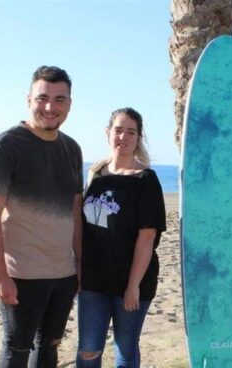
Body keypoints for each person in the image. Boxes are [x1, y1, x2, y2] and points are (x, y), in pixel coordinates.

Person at [0, 65, 83, 368]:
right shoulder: (3, 147)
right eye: (43, 98)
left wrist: (79, 262)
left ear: (69, 104)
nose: (51, 107)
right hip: (20, 273)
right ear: (28, 99)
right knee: (17, 348)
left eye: (60, 99)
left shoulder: (72, 149)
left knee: (49, 346)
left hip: (62, 273)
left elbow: (75, 210)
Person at [76, 107, 166, 368]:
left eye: (131, 132)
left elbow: (147, 237)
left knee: (125, 349)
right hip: (93, 281)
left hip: (132, 281)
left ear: (138, 138)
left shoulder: (145, 180)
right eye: (118, 130)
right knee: (89, 349)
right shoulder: (95, 174)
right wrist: (78, 267)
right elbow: (83, 227)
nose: (123, 137)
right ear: (108, 132)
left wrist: (133, 285)